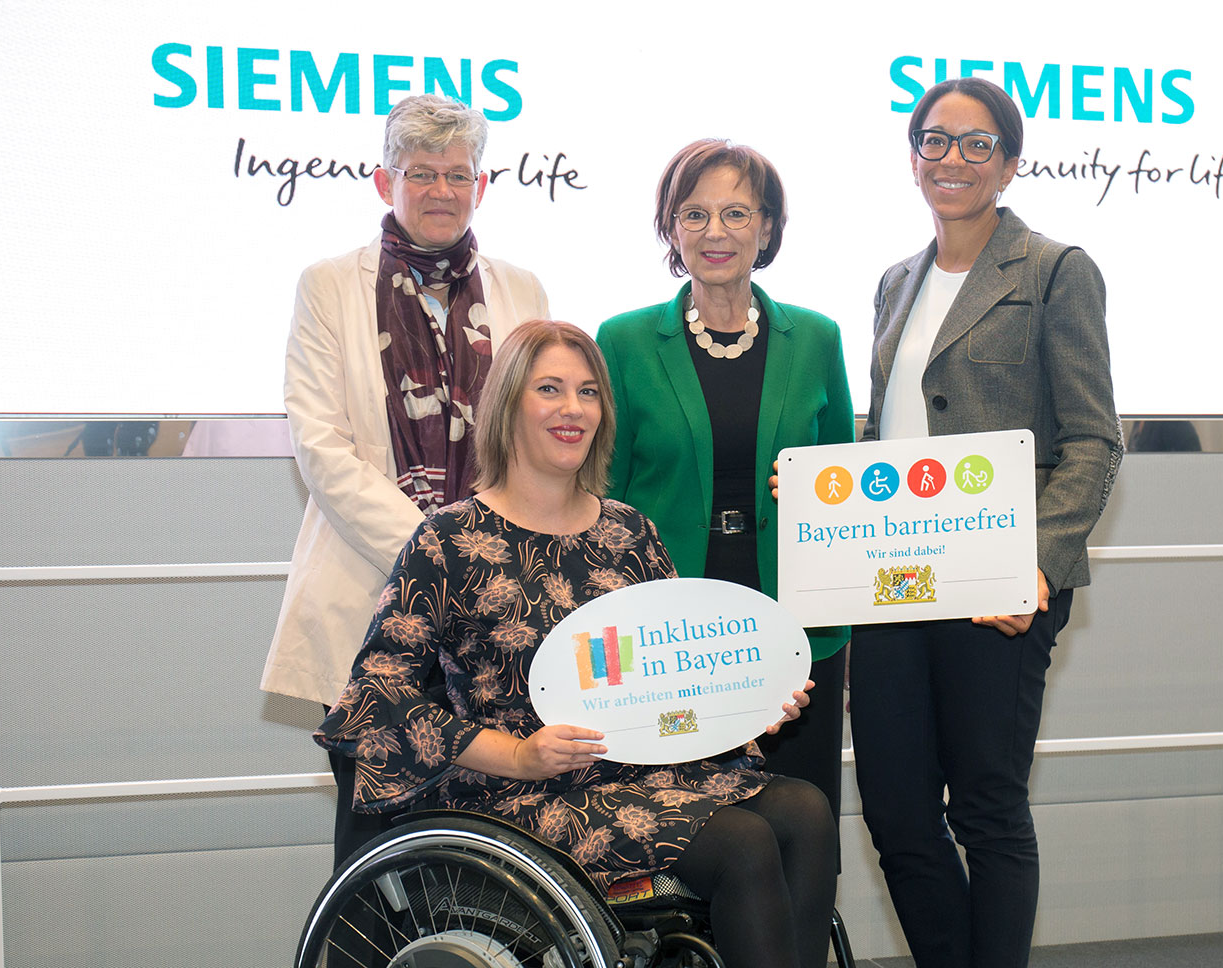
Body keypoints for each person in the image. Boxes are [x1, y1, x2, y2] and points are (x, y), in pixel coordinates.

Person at [316, 320, 839, 968]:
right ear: (509, 404)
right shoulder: (447, 540)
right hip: (530, 794)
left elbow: (676, 672)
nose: (573, 409)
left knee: (807, 811)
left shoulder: (629, 531)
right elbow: (375, 698)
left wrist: (750, 704)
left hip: (651, 771)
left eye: (589, 392)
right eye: (551, 389)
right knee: (741, 843)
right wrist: (519, 755)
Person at [854, 77, 1122, 967]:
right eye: (935, 141)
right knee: (895, 813)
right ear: (914, 157)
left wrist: (1033, 565)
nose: (953, 160)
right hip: (891, 587)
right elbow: (884, 435)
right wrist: (825, 491)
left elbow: (1092, 440)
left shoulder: (1055, 270)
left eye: (976, 145)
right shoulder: (896, 281)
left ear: (1009, 163)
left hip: (998, 594)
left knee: (986, 807)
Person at [259, 94, 549, 868]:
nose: (441, 191)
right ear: (386, 183)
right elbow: (321, 446)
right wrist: (439, 551)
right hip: (372, 600)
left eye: (458, 174)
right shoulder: (328, 285)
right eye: (421, 173)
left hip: (495, 610)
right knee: (374, 845)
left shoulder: (523, 291)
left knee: (494, 844)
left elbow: (538, 436)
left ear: (481, 187)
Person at [598, 139, 855, 813]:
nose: (716, 233)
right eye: (695, 214)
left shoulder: (819, 339)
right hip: (670, 632)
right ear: (671, 228)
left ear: (766, 227)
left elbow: (845, 496)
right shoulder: (622, 342)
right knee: (690, 828)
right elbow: (604, 501)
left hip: (795, 624)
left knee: (803, 819)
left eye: (737, 214)